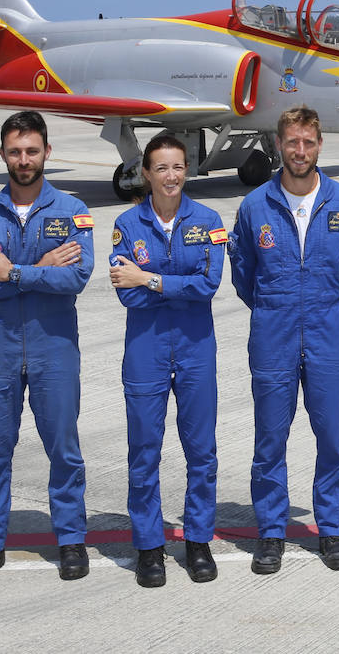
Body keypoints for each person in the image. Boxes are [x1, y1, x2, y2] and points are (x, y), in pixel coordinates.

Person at [0, 111, 94, 586]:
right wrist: (41, 270)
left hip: (54, 349)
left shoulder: (73, 210)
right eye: (15, 151)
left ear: (47, 153)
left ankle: (71, 539)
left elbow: (74, 277)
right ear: (3, 155)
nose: (24, 160)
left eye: (32, 150)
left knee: (64, 449)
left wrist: (13, 272)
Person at [230, 105, 339, 575]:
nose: (300, 151)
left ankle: (329, 530)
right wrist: (278, 307)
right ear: (279, 145)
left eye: (308, 142)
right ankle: (271, 533)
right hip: (273, 336)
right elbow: (244, 277)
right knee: (270, 438)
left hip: (328, 335)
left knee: (332, 437)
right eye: (292, 142)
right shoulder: (254, 207)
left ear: (319, 145)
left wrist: (321, 302)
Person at [109, 134, 227, 587]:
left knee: (201, 451)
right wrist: (166, 284)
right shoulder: (126, 223)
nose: (171, 176)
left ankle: (198, 541)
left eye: (178, 167)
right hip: (146, 348)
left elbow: (208, 285)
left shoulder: (209, 220)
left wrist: (150, 279)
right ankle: (149, 547)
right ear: (146, 173)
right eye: (161, 168)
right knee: (144, 451)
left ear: (187, 170)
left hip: (196, 348)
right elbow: (127, 295)